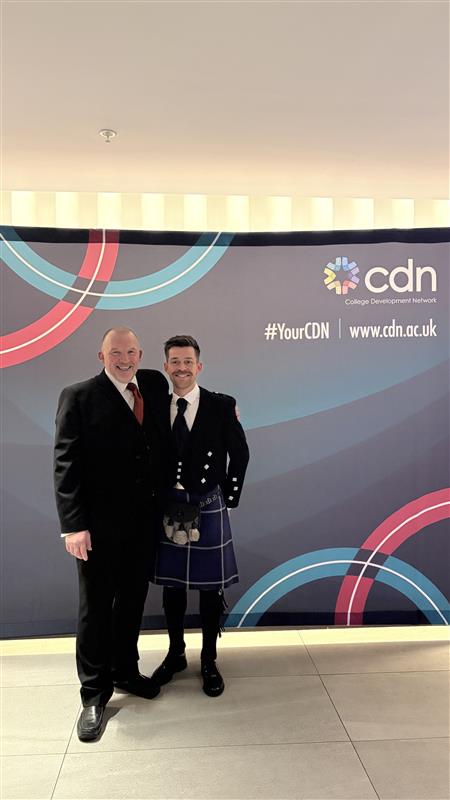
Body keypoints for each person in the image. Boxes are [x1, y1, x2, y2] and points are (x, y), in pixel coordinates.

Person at [54, 327, 169, 741]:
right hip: (97, 528)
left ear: (141, 354)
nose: (125, 359)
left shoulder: (152, 385)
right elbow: (65, 463)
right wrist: (73, 525)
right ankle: (93, 694)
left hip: (143, 524)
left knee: (133, 601)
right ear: (101, 356)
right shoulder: (78, 396)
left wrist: (227, 409)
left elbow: (182, 402)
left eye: (132, 351)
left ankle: (125, 671)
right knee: (97, 608)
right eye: (116, 352)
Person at [151, 335, 250, 697]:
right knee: (173, 587)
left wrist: (229, 498)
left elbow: (240, 453)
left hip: (207, 504)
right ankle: (176, 653)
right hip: (168, 506)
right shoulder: (154, 406)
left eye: (188, 362)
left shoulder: (221, 405)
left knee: (211, 589)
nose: (182, 368)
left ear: (199, 366)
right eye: (175, 362)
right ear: (166, 366)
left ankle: (209, 659)